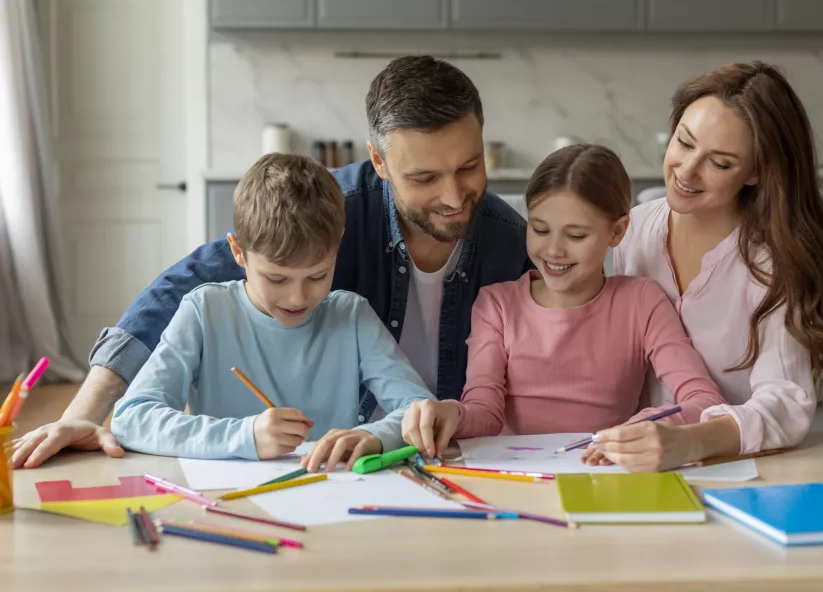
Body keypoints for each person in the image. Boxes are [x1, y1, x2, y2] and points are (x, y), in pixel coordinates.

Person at [13, 55, 532, 469]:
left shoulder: (511, 243)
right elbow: (176, 294)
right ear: (379, 161)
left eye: (469, 166)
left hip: (422, 454)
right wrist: (83, 415)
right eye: (423, 179)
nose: (454, 196)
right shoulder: (330, 210)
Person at [582, 61, 823, 472]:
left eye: (720, 163)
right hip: (624, 461)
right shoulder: (632, 229)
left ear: (756, 172)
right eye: (684, 142)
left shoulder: (774, 259)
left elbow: (784, 402)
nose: (687, 171)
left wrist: (689, 443)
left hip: (733, 466)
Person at [110, 153, 437, 471]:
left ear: (338, 246)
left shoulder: (352, 317)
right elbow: (132, 419)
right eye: (277, 278)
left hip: (330, 495)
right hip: (228, 498)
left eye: (317, 276)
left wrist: (374, 436)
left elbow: (419, 410)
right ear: (238, 251)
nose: (298, 296)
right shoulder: (204, 311)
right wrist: (243, 436)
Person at [401, 144, 727, 460]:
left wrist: (648, 426)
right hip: (517, 474)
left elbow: (703, 399)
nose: (554, 250)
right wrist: (449, 413)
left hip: (602, 472)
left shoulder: (641, 301)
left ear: (617, 231)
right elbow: (485, 413)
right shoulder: (497, 304)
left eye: (575, 236)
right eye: (540, 230)